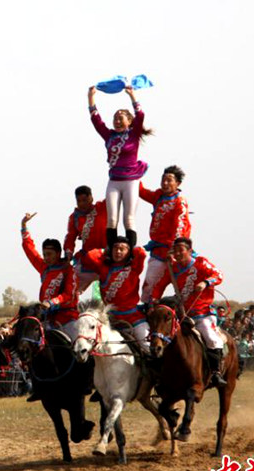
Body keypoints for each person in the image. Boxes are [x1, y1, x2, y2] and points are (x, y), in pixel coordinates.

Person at [151, 237, 227, 387]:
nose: (178, 253)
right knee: (162, 337)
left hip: (203, 313)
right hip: (182, 313)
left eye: (181, 250)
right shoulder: (172, 268)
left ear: (189, 251)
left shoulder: (200, 262)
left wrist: (205, 282)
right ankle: (161, 375)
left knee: (211, 338)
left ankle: (215, 372)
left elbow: (219, 275)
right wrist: (154, 299)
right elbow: (159, 285)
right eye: (176, 250)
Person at [87, 85, 153, 250]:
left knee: (128, 218)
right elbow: (96, 119)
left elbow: (141, 114)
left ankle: (129, 252)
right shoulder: (109, 135)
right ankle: (112, 250)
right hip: (114, 181)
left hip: (131, 181)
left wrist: (132, 96)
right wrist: (91, 97)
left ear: (129, 121)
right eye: (115, 118)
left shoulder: (133, 134)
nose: (117, 121)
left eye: (120, 118)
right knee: (112, 219)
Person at [78, 238, 150, 352]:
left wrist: (131, 245)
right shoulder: (104, 268)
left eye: (122, 249)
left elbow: (141, 253)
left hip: (133, 317)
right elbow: (89, 256)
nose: (118, 252)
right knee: (91, 346)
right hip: (111, 319)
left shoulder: (134, 267)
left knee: (147, 346)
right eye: (115, 248)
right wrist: (106, 250)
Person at [138, 165, 192, 303]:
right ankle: (147, 311)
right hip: (158, 251)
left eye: (169, 180)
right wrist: (133, 172)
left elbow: (179, 227)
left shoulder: (180, 201)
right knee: (149, 285)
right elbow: (142, 192)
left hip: (176, 253)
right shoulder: (158, 196)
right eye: (163, 180)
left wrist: (174, 251)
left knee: (183, 287)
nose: (165, 183)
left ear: (178, 183)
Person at [20, 212, 79, 327]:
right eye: (44, 254)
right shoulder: (44, 268)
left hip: (67, 317)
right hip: (47, 317)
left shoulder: (69, 270)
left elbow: (68, 294)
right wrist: (23, 226)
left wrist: (52, 302)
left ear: (58, 253)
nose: (46, 258)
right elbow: (29, 249)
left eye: (49, 254)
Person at [64, 185, 108, 293]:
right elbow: (70, 238)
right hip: (87, 261)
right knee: (70, 289)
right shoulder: (74, 217)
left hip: (107, 258)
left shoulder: (103, 207)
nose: (82, 204)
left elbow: (116, 193)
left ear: (91, 198)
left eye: (85, 200)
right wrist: (68, 255)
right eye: (78, 201)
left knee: (112, 295)